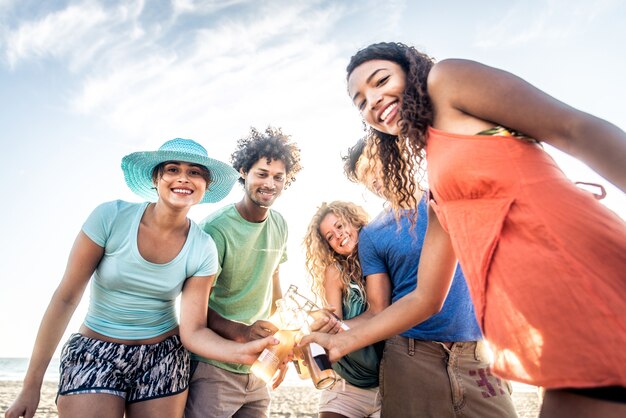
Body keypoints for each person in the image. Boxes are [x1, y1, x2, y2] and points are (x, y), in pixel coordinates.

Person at [301, 42, 626, 418]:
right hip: (542, 316)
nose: (372, 100)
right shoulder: (440, 184)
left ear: (412, 70)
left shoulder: (447, 80)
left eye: (381, 80)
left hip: (580, 269)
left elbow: (574, 128)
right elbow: (425, 298)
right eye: (360, 101)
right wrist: (343, 341)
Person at [4, 138, 277, 418]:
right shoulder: (110, 217)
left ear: (204, 186)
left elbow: (194, 330)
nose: (183, 178)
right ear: (156, 178)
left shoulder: (202, 247)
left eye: (195, 172)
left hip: (163, 356)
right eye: (172, 169)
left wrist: (241, 353)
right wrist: (31, 385)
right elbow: (65, 299)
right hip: (96, 351)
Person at [344, 138, 517, 417]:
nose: (372, 178)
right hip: (410, 358)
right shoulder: (372, 236)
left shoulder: (451, 198)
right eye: (364, 176)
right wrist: (338, 329)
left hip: (477, 354)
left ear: (397, 155)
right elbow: (378, 309)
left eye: (374, 164)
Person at [185, 127, 302, 418]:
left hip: (258, 365)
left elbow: (275, 288)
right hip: (214, 368)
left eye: (278, 177)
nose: (270, 183)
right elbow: (194, 309)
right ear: (243, 172)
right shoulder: (216, 229)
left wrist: (280, 349)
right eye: (262, 173)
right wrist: (243, 333)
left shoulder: (280, 225)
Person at [303, 201, 383, 418]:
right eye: (329, 236)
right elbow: (334, 320)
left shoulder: (385, 255)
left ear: (355, 222)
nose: (337, 236)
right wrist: (322, 329)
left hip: (390, 379)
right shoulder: (335, 271)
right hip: (348, 380)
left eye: (339, 226)